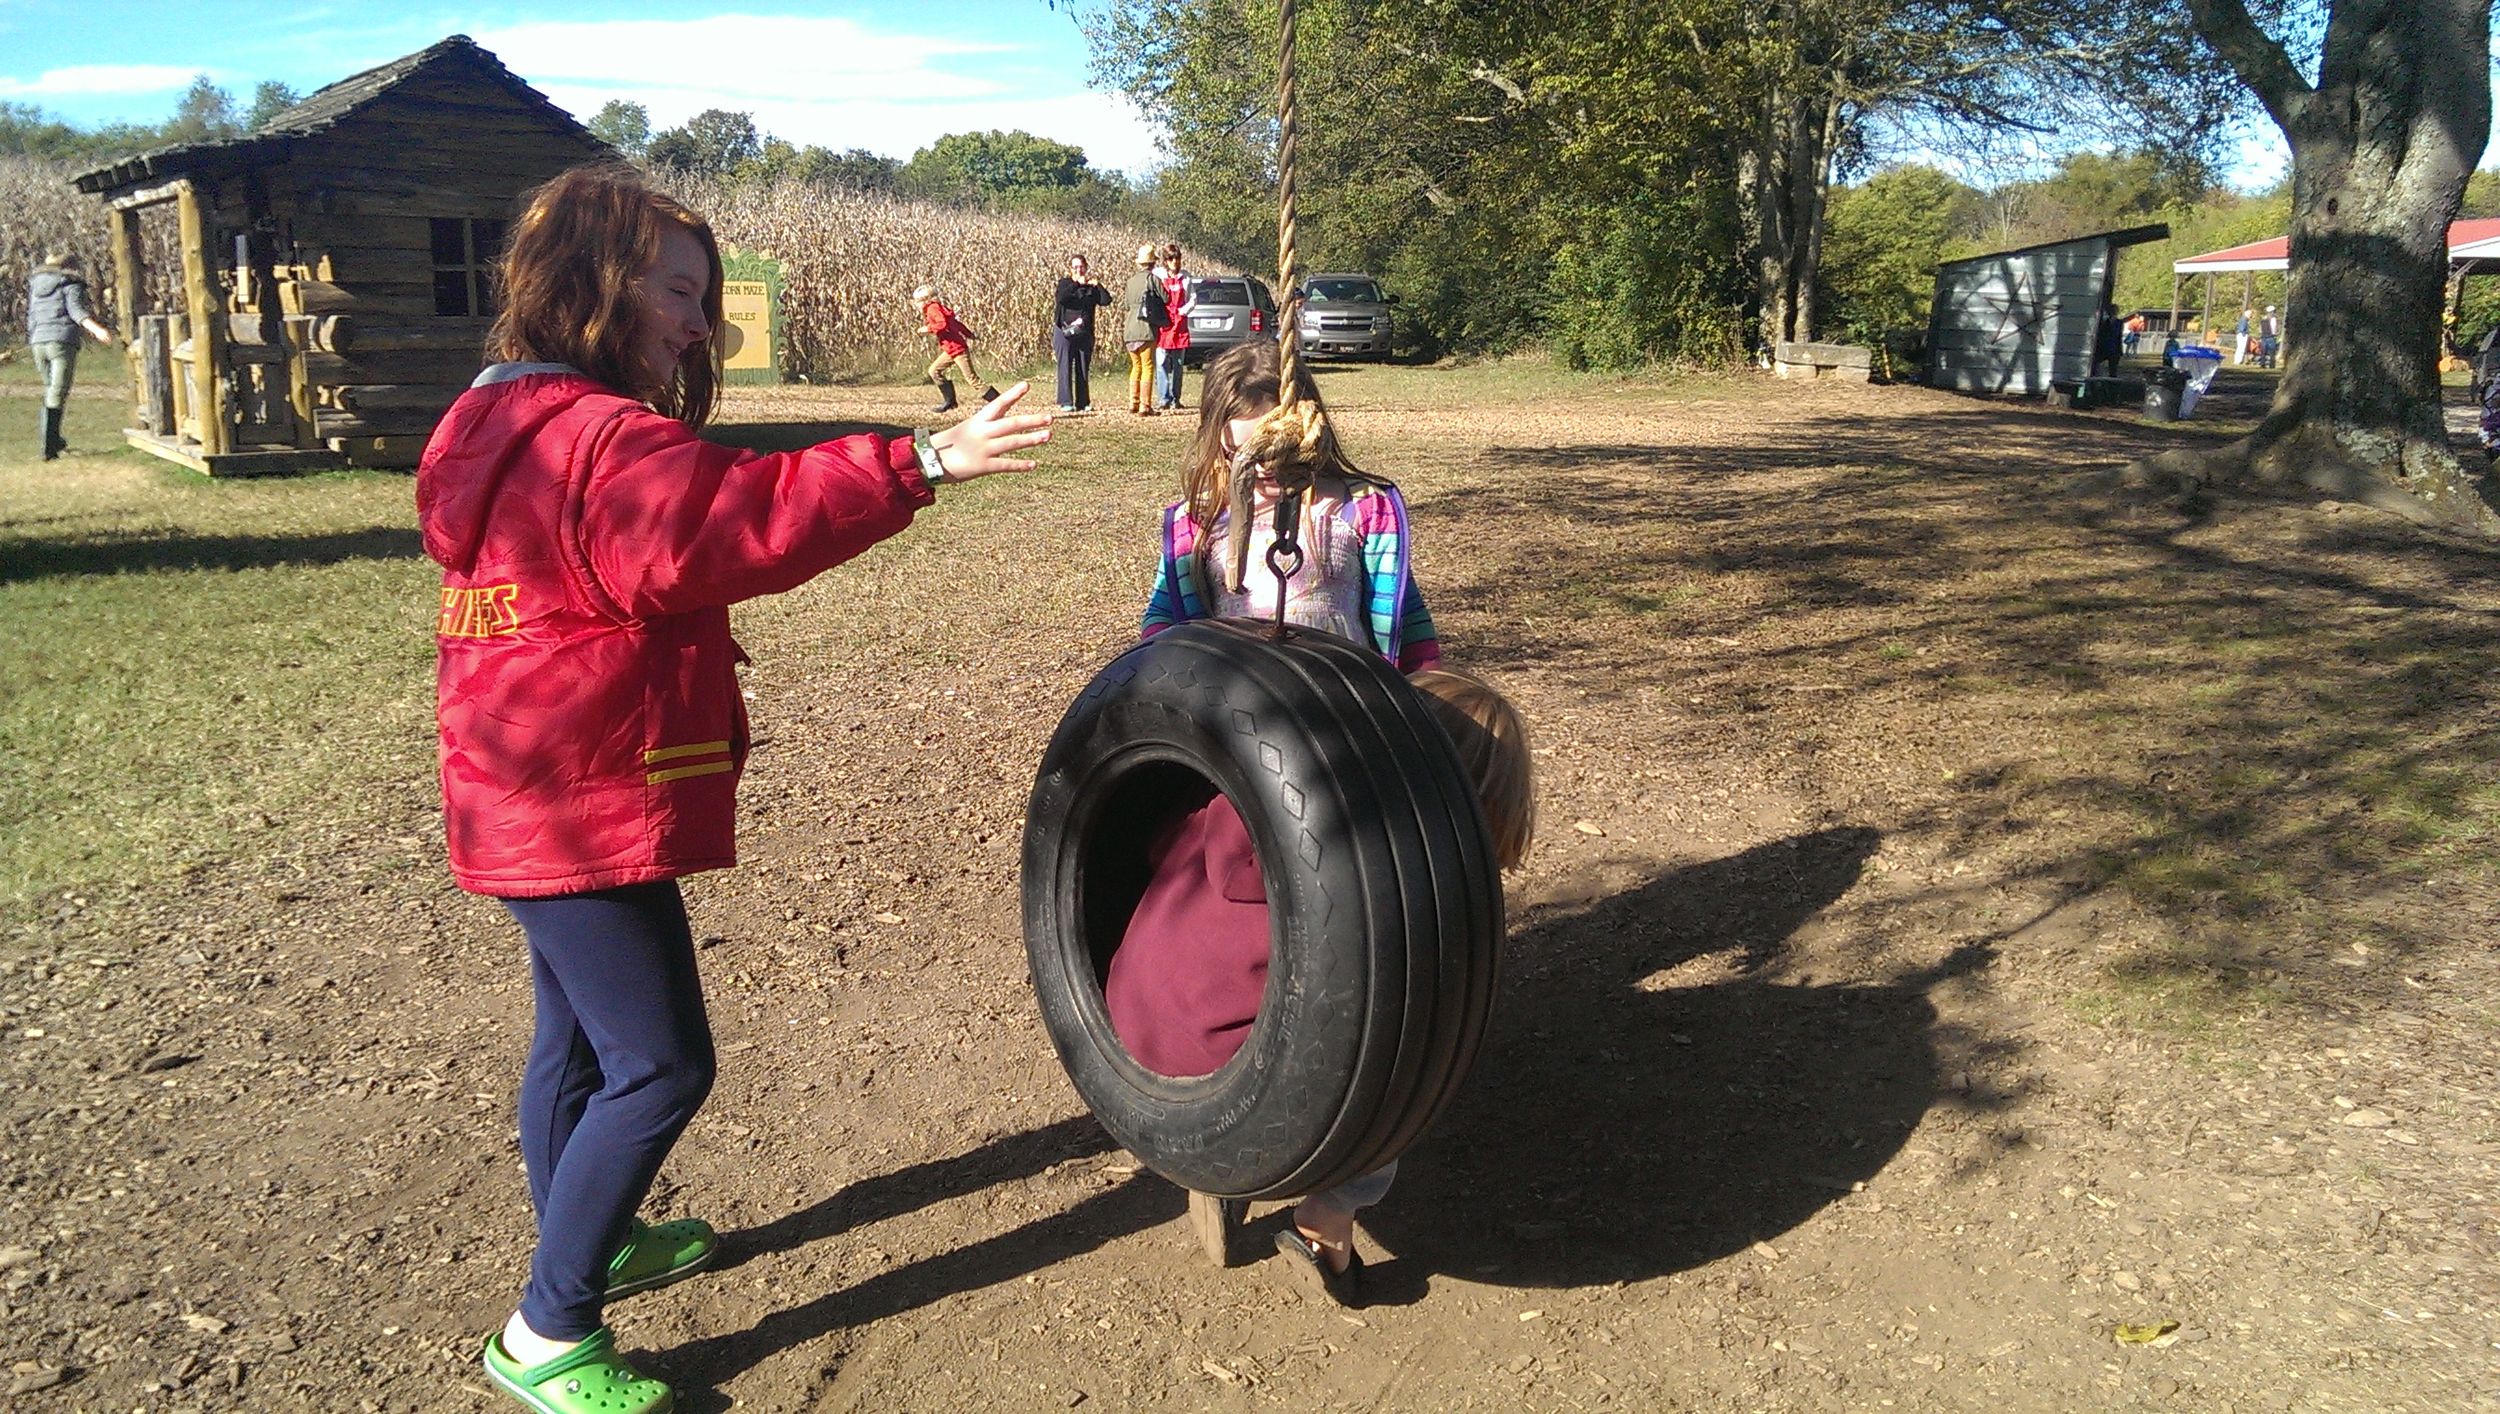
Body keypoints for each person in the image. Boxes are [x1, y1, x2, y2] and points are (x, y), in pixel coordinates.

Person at [415, 165, 1050, 1414]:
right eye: (678, 292)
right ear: (592, 284)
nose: (699, 323)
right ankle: (547, 1330)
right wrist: (922, 459)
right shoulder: (602, 443)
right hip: (578, 797)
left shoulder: (489, 425)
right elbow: (737, 517)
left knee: (578, 1040)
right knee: (659, 1066)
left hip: (514, 781)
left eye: (703, 298)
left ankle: (583, 1234)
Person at [1102, 667, 1536, 1305]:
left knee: (1229, 1006)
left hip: (1124, 1033)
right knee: (1391, 1081)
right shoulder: (1385, 892)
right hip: (1234, 1073)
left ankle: (1219, 1173)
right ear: (1463, 812)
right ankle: (1325, 1218)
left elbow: (1157, 849)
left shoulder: (1233, 796)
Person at [1139, 338, 1440, 673]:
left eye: (1276, 449)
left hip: (1346, 707)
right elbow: (1163, 619)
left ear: (1306, 430)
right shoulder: (1198, 521)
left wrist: (1425, 694)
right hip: (1235, 710)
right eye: (1240, 454)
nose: (1263, 466)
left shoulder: (1362, 509)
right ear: (1217, 440)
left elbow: (1409, 627)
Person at [24, 250, 118, 460]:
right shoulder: (70, 284)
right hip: (62, 341)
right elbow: (76, 311)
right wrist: (97, 330)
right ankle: (49, 447)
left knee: (51, 391)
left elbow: (31, 316)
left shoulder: (35, 286)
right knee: (57, 393)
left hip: (38, 342)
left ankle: (54, 441)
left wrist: (33, 337)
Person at [914, 283, 996, 413]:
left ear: (925, 299)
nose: (916, 304)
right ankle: (950, 402)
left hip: (957, 349)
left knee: (972, 379)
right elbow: (955, 324)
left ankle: (997, 401)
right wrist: (969, 334)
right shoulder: (940, 307)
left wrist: (927, 328)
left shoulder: (932, 309)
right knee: (934, 371)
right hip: (951, 349)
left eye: (917, 301)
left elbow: (942, 324)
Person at [1052, 253, 1113, 413]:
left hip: (1084, 332)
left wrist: (1097, 285)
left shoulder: (1090, 288)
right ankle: (1066, 401)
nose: (1079, 270)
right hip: (1064, 331)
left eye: (1081, 266)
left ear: (1086, 267)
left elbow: (1106, 300)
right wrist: (1076, 284)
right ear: (1070, 269)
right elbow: (1062, 298)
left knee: (1083, 366)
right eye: (1075, 267)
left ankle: (1083, 402)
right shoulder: (1065, 284)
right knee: (1065, 365)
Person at [1120, 243, 1166, 416]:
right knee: (1147, 366)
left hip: (1130, 330)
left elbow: (1126, 305)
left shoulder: (1130, 282)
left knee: (1136, 366)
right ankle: (1145, 405)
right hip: (1146, 328)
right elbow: (1166, 297)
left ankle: (1133, 402)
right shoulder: (1153, 279)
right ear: (1153, 263)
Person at [1154, 242, 1198, 411]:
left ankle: (1175, 398)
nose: (1175, 262)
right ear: (1166, 260)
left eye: (1177, 258)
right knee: (1162, 362)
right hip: (1164, 326)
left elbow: (1193, 299)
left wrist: (1182, 311)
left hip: (1179, 325)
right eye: (1171, 258)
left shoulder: (1185, 278)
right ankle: (1163, 398)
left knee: (1178, 364)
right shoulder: (1158, 275)